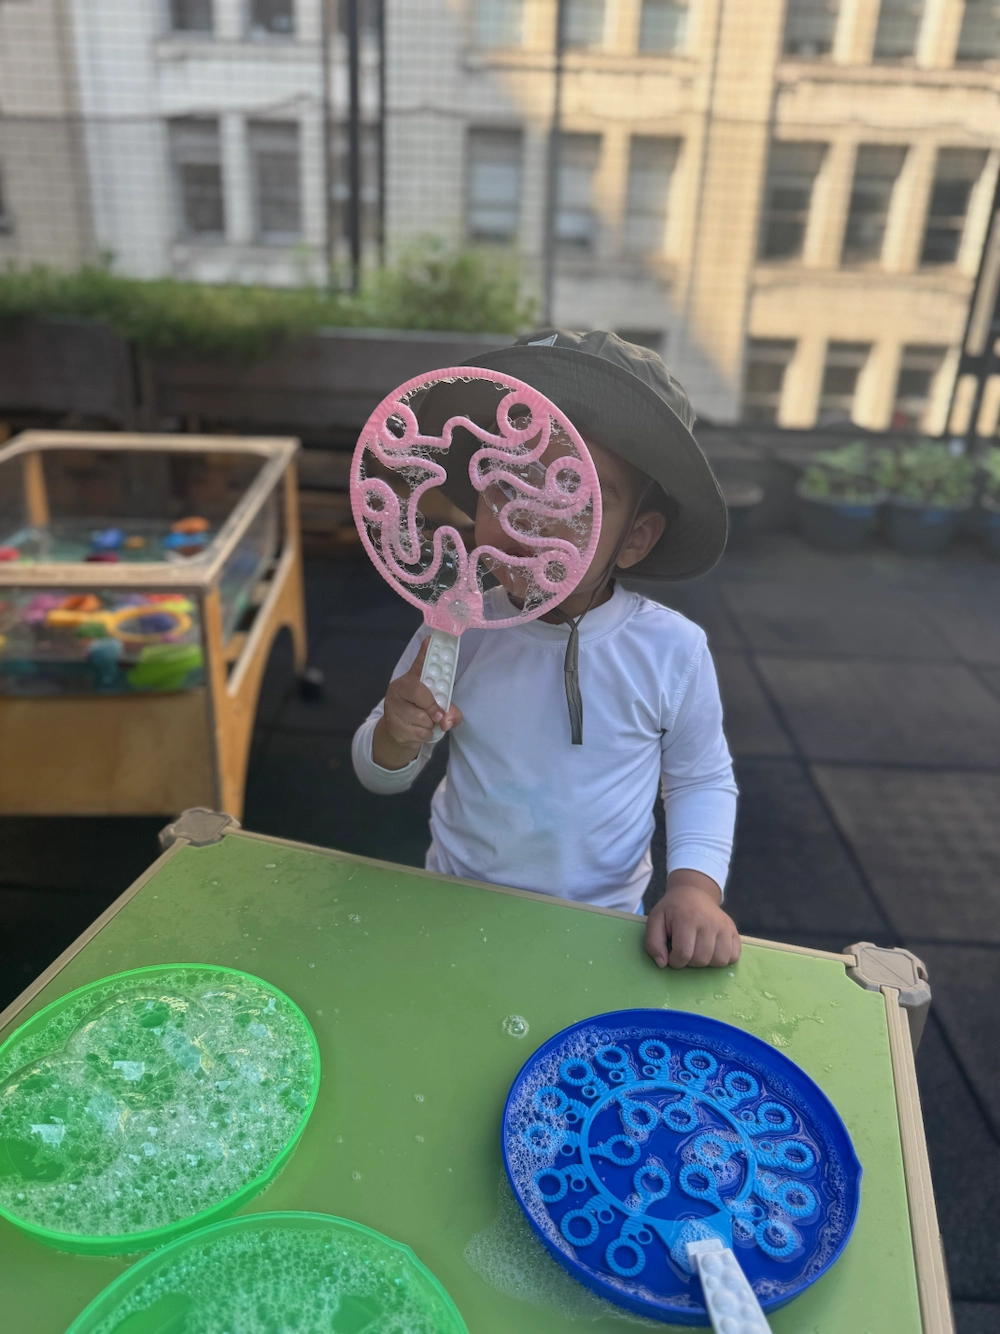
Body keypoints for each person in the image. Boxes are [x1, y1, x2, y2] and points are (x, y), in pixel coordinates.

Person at [352, 329, 740, 970]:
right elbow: (381, 771)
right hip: (454, 900)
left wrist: (694, 888)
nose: (526, 518)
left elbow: (700, 776)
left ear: (636, 539)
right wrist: (395, 732)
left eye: (569, 493)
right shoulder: (459, 625)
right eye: (508, 483)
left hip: (602, 924)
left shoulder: (672, 650)